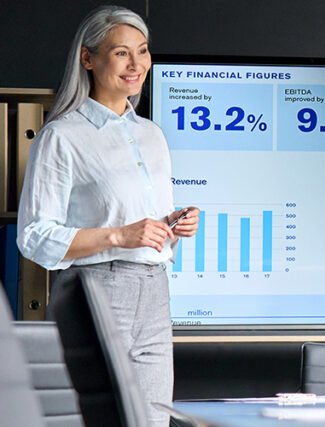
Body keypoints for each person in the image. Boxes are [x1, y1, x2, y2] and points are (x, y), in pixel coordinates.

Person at [17, 6, 199, 424]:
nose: (136, 65)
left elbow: (141, 224)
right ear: (88, 58)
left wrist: (174, 224)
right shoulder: (62, 136)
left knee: (153, 420)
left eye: (143, 51)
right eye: (121, 53)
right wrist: (119, 236)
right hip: (98, 289)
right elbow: (34, 236)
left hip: (155, 292)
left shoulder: (152, 135)